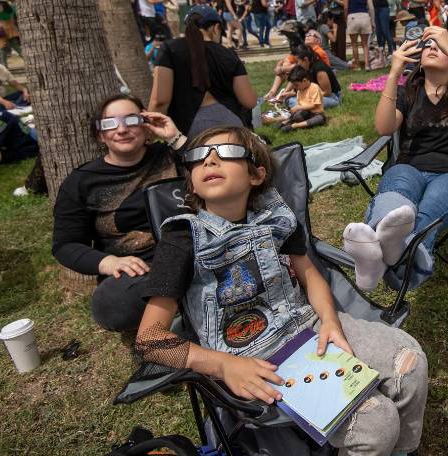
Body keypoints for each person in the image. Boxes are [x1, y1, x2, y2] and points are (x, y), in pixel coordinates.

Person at [134, 126, 427, 454]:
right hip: (253, 360)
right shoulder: (182, 239)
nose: (209, 161)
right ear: (191, 181)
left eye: (226, 153)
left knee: (409, 362)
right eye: (198, 157)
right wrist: (223, 366)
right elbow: (150, 340)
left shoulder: (277, 219)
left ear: (256, 175)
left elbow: (309, 274)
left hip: (309, 328)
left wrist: (330, 320)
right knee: (376, 423)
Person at [342, 26, 448, 292]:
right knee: (396, 197)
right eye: (428, 45)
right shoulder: (408, 92)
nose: (432, 47)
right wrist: (394, 73)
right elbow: (384, 127)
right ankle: (386, 250)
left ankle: (376, 258)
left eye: (440, 46)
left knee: (427, 211)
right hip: (409, 167)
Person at [52, 95, 187, 331]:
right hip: (141, 269)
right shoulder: (81, 182)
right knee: (112, 305)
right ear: (100, 135)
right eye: (110, 123)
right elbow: (65, 245)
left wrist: (175, 138)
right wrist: (109, 262)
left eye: (131, 120)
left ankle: (178, 306)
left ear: (146, 126)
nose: (122, 129)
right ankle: (184, 303)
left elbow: (216, 167)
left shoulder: (170, 155)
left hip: (191, 251)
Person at [149, 5, 256, 137]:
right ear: (216, 28)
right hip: (232, 124)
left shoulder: (170, 49)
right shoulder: (228, 54)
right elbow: (249, 101)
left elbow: (160, 101)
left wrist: (151, 132)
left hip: (188, 130)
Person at [278, 66, 327, 132]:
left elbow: (314, 105)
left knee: (320, 118)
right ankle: (288, 121)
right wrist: (295, 109)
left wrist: (299, 107)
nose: (295, 87)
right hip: (305, 113)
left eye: (296, 85)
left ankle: (295, 126)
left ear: (304, 81)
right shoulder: (299, 90)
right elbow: (300, 105)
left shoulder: (314, 88)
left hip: (316, 113)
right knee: (298, 114)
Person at [344, 0, 374, 70]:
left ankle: (357, 65)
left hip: (352, 17)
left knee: (354, 44)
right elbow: (371, 8)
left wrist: (346, 18)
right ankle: (367, 65)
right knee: (365, 44)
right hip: (365, 16)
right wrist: (372, 21)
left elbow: (345, 7)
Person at [0, 0, 22, 66]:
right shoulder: (9, 6)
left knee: (2, 49)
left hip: (2, 30)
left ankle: (4, 66)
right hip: (11, 28)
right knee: (16, 47)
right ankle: (28, 60)